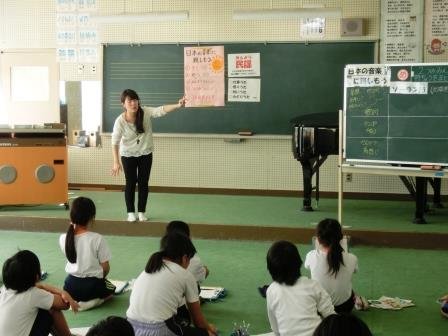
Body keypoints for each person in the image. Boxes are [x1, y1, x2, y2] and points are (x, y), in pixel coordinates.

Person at [111, 89, 186, 222]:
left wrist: (178, 105)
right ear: (123, 104)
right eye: (130, 101)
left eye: (135, 100)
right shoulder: (120, 121)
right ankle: (130, 213)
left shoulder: (144, 112)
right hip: (128, 155)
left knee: (143, 183)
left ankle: (141, 212)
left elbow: (161, 110)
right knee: (130, 183)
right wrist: (116, 162)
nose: (133, 103)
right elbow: (115, 142)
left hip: (145, 153)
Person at [126, 232, 217, 336]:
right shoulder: (185, 275)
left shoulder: (148, 269)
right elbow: (198, 322)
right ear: (185, 258)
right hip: (159, 329)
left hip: (130, 328)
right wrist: (209, 329)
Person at [0, 250, 79, 336]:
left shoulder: (4, 290)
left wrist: (43, 287)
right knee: (51, 308)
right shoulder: (32, 294)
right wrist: (60, 292)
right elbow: (64, 304)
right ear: (36, 276)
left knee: (45, 305)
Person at [266, 240, 335, 336]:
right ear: (298, 262)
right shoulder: (313, 285)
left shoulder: (271, 291)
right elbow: (331, 316)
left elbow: (276, 329)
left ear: (270, 269)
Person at [59, 196, 115, 310]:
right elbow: (105, 268)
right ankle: (94, 302)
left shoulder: (63, 238)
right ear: (91, 217)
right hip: (91, 287)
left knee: (79, 288)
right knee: (111, 290)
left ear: (71, 215)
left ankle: (76, 301)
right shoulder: (97, 239)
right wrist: (100, 279)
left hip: (70, 286)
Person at [304, 218, 358, 313]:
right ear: (341, 238)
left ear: (318, 239)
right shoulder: (352, 258)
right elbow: (354, 270)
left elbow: (307, 266)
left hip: (319, 309)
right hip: (344, 308)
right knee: (351, 290)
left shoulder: (311, 256)